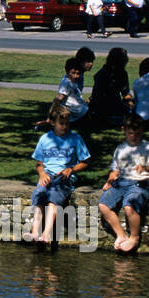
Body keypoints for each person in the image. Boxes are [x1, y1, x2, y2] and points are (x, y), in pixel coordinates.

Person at [29, 104, 90, 244]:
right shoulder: (45, 139)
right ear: (52, 123)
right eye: (61, 123)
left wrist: (72, 169)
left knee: (54, 198)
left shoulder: (75, 139)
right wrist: (42, 174)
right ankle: (34, 231)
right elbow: (39, 162)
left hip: (64, 176)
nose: (65, 126)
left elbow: (85, 162)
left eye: (67, 123)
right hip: (48, 174)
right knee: (40, 194)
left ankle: (46, 233)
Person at [99, 114, 149, 252]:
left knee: (129, 206)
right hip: (122, 181)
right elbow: (114, 171)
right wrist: (109, 181)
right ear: (124, 130)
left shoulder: (148, 147)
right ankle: (120, 235)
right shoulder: (120, 149)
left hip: (141, 182)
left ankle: (134, 237)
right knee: (103, 205)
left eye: (138, 134)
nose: (134, 136)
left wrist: (145, 168)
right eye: (131, 133)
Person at [88, 46, 131, 126]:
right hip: (111, 108)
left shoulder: (101, 71)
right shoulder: (121, 74)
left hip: (97, 109)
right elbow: (125, 94)